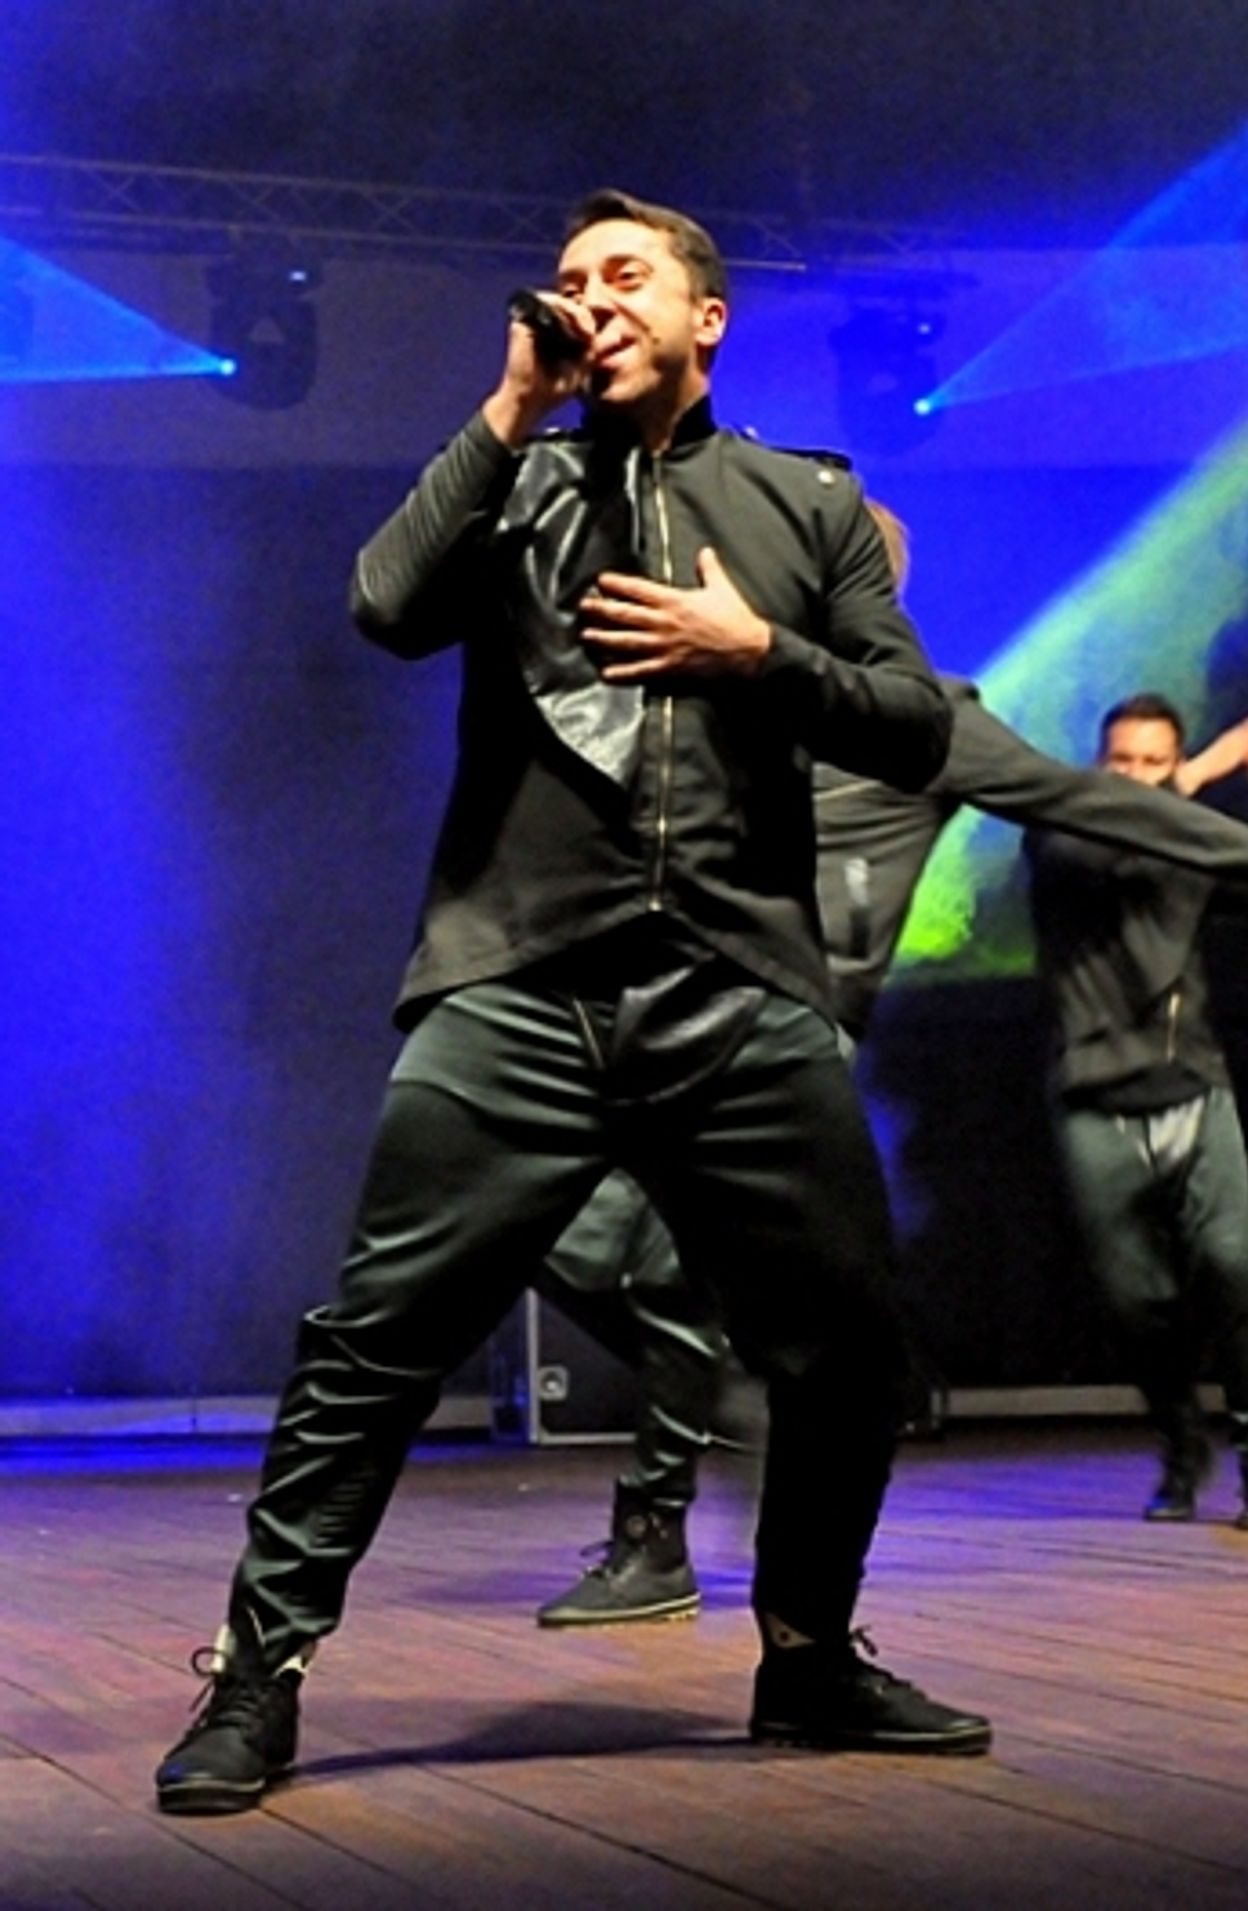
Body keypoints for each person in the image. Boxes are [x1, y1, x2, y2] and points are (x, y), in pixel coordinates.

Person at [153, 187, 1001, 1817]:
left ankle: (808, 1656)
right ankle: (257, 1674)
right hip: (518, 979)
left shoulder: (808, 501)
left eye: (626, 277)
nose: (590, 299)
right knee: (376, 1340)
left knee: (848, 1347)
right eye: (567, 281)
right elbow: (385, 603)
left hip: (737, 987)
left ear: (705, 318)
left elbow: (912, 726)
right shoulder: (518, 483)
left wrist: (758, 654)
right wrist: (504, 411)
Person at [530, 509, 1248, 1625]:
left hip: (796, 1048)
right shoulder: (731, 702)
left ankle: (678, 1530)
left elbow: (1093, 805)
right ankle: (743, 1415)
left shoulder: (927, 721)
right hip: (672, 1026)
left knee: (701, 1273)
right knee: (579, 1238)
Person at [1026, 692, 1248, 1530]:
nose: (1137, 776)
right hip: (1095, 1097)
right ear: (1098, 765)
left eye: (1154, 761)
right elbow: (1118, 832)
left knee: (1233, 1269)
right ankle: (1179, 1442)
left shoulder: (1188, 848)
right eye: (1122, 761)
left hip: (1193, 1085)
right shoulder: (1060, 832)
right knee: (1138, 1301)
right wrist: (1199, 773)